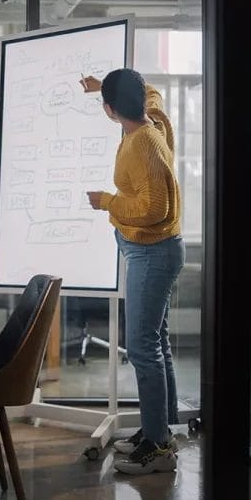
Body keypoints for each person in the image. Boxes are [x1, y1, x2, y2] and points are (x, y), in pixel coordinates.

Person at [82, 69, 184, 475]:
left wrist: (107, 201)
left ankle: (158, 449)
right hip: (153, 249)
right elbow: (152, 92)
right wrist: (101, 87)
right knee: (156, 341)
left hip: (151, 252)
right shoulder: (153, 117)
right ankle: (161, 430)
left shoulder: (143, 143)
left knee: (143, 348)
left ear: (109, 110)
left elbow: (152, 209)